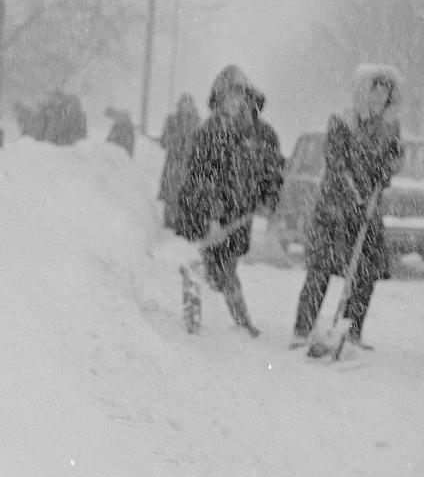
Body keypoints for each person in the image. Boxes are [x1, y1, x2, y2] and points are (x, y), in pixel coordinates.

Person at [290, 64, 405, 350]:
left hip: (368, 211)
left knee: (366, 272)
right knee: (321, 269)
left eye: (386, 91)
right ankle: (303, 329)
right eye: (375, 90)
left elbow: (386, 168)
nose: (380, 96)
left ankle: (351, 331)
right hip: (336, 207)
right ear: (364, 91)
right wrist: (355, 198)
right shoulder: (342, 121)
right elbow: (337, 164)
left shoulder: (390, 128)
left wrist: (390, 166)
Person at [174, 65, 285, 337]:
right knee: (196, 265)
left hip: (238, 215)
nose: (233, 102)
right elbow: (201, 176)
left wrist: (268, 200)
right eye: (227, 96)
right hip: (204, 211)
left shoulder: (262, 134)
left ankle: (237, 321)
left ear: (248, 97)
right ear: (219, 99)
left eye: (239, 95)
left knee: (225, 266)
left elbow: (272, 170)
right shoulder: (210, 131)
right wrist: (211, 216)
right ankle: (197, 321)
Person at [158, 94, 202, 229]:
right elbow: (163, 141)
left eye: (187, 104)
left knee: (187, 196)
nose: (185, 107)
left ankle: (183, 226)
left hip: (189, 165)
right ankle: (169, 225)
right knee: (171, 196)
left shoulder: (197, 122)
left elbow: (201, 145)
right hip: (173, 165)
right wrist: (174, 139)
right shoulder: (171, 120)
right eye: (182, 104)